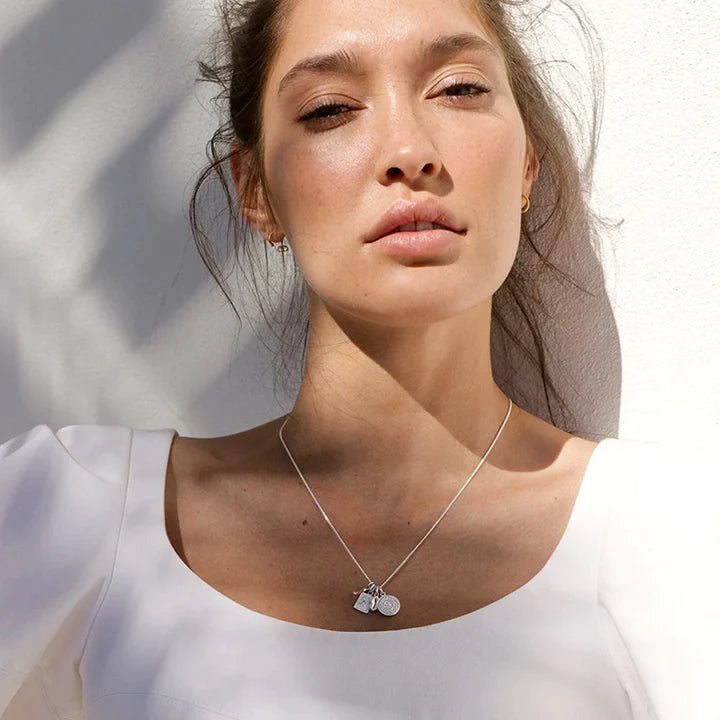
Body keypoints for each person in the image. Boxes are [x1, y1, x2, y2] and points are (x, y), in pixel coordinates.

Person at [0, 0, 717, 717]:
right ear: (256, 192)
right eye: (331, 109)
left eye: (459, 88)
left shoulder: (672, 538)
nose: (408, 150)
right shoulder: (75, 514)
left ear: (527, 165)